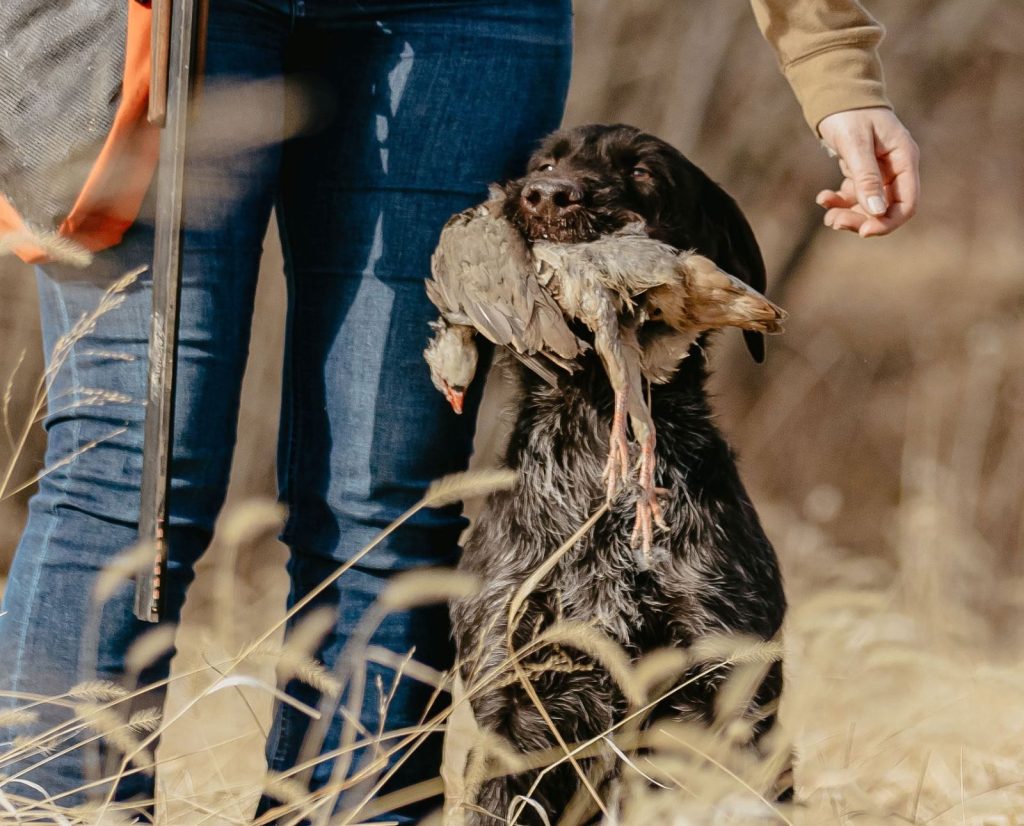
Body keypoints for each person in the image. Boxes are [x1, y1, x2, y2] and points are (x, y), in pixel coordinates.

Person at [0, 0, 919, 820]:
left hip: (460, 23)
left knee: (382, 502)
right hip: (165, 18)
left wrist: (833, 63)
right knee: (130, 482)